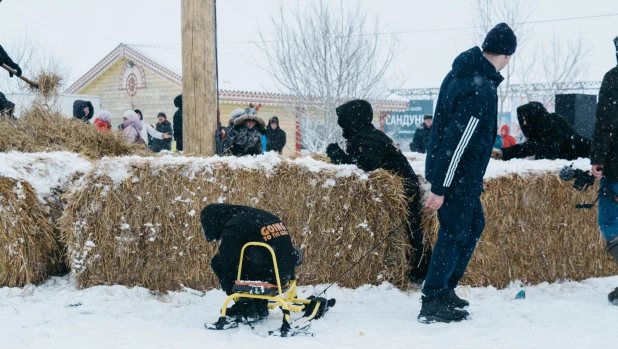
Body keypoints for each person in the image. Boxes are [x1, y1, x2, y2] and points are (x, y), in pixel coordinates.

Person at [421, 23, 516, 324]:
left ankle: (445, 289)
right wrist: (440, 186)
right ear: (506, 55)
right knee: (454, 232)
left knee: (473, 225)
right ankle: (432, 297)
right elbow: (457, 140)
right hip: (457, 176)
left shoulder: (461, 73)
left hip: (460, 174)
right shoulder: (480, 87)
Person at [326, 99, 430, 283]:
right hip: (399, 187)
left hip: (403, 188)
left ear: (353, 121)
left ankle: (422, 270)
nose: (342, 128)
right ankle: (420, 269)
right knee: (409, 228)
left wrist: (340, 158)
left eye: (344, 123)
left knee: (410, 228)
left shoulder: (368, 138)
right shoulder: (366, 134)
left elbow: (367, 163)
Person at [200, 204, 302, 319]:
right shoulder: (260, 215)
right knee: (253, 258)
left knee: (218, 263)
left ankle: (245, 305)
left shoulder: (234, 227)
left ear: (215, 221)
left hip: (270, 276)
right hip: (286, 272)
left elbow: (227, 258)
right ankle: (259, 304)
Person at [590, 36, 618, 306]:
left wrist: (598, 157)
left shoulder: (614, 78)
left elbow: (607, 121)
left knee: (610, 222)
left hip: (617, 167)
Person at [494, 102, 591, 161]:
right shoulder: (541, 131)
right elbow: (528, 147)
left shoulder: (554, 122)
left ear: (533, 117)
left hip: (586, 156)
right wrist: (503, 153)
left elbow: (548, 151)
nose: (524, 123)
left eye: (525, 119)